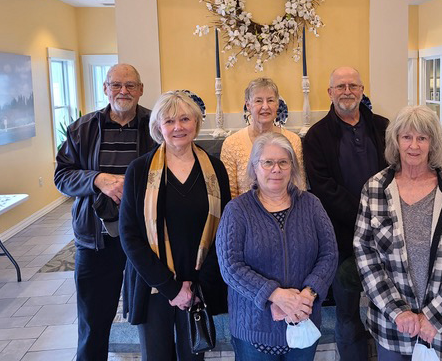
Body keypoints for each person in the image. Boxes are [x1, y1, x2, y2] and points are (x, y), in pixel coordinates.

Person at [354, 105, 442, 361]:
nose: (414, 145)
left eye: (422, 138)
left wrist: (433, 317)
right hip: (393, 328)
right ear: (396, 141)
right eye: (406, 137)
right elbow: (366, 257)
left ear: (432, 143)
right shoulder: (375, 189)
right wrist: (398, 312)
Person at [54, 64, 156, 360]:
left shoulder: (155, 125)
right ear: (105, 89)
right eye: (116, 85)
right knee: (93, 320)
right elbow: (62, 176)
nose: (123, 91)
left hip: (145, 238)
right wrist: (97, 179)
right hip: (97, 240)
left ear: (140, 89)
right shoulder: (82, 129)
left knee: (152, 317)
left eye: (130, 85)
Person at [120, 90, 231, 360]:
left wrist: (195, 284)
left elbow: (225, 231)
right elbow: (129, 235)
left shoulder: (215, 169)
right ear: (159, 127)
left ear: (196, 123)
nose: (178, 127)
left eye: (184, 119)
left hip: (197, 284)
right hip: (154, 284)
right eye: (169, 121)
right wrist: (171, 288)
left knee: (194, 355)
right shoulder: (139, 170)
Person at [216, 132, 338, 360]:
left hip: (303, 320)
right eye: (268, 162)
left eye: (283, 162)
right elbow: (230, 267)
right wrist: (276, 295)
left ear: (292, 166)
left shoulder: (311, 205)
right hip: (254, 331)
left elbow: (329, 254)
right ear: (254, 167)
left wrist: (308, 295)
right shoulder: (237, 210)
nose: (276, 169)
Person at [303, 66, 389, 360]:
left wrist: (379, 222)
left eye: (353, 85)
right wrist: (365, 217)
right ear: (330, 93)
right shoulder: (316, 136)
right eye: (340, 87)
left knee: (389, 305)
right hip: (341, 239)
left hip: (387, 237)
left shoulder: (383, 127)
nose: (347, 91)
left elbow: (396, 175)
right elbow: (324, 188)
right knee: (347, 312)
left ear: (362, 90)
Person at [220, 77, 305, 198]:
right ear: (248, 105)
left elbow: (299, 186)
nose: (265, 106)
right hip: (245, 213)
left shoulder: (293, 140)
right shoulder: (232, 143)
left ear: (277, 105)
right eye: (258, 101)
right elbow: (230, 193)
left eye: (270, 100)